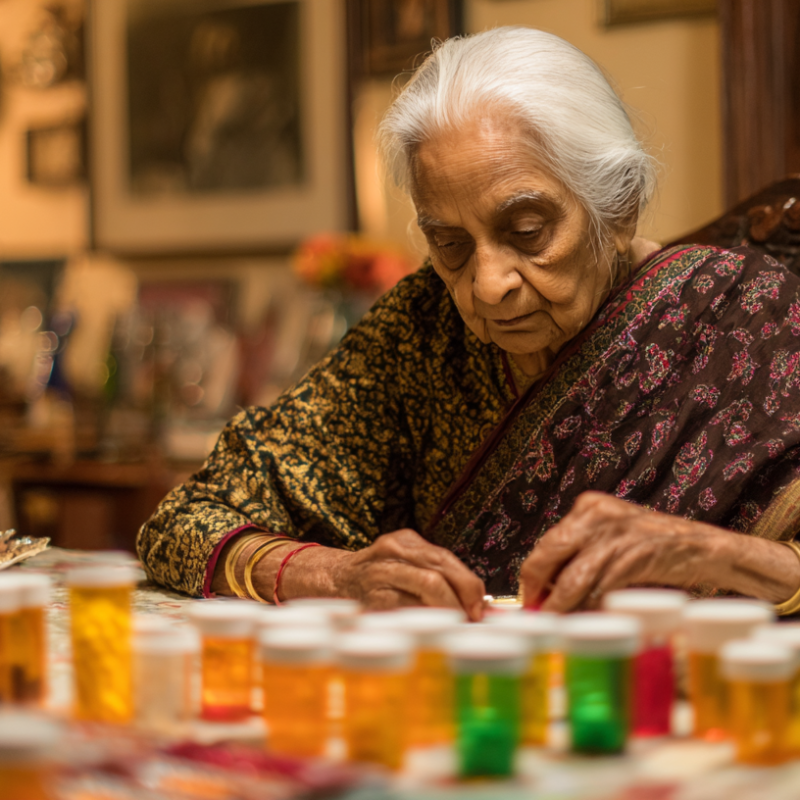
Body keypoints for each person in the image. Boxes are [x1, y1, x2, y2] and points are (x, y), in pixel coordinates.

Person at [138, 27, 800, 619]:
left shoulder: (752, 317)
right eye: (450, 243)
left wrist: (713, 555)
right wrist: (337, 573)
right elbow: (184, 523)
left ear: (618, 206)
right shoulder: (421, 332)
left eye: (527, 230)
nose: (488, 285)